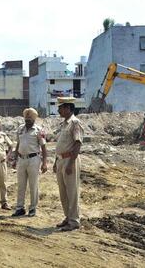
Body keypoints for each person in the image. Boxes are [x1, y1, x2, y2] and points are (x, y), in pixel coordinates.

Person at [54, 97, 84, 231]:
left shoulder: (75, 123)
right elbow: (61, 145)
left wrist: (71, 164)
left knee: (72, 192)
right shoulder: (64, 124)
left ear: (67, 108)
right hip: (61, 160)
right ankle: (68, 217)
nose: (58, 110)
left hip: (69, 160)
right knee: (63, 192)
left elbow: (77, 144)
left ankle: (74, 221)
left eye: (60, 108)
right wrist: (56, 162)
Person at [12, 108, 48, 217]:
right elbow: (18, 144)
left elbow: (44, 147)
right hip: (21, 159)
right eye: (26, 118)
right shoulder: (20, 129)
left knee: (33, 185)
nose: (27, 120)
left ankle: (33, 208)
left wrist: (44, 162)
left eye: (30, 118)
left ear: (34, 119)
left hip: (34, 159)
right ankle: (20, 208)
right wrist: (15, 158)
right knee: (21, 185)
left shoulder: (39, 130)